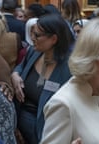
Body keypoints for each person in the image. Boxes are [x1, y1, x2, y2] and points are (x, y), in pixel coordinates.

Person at [11, 14, 74, 144]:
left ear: (54, 39)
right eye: (32, 33)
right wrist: (15, 75)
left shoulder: (70, 67)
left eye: (37, 35)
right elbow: (20, 67)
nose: (32, 38)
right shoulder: (33, 52)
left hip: (46, 132)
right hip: (20, 127)